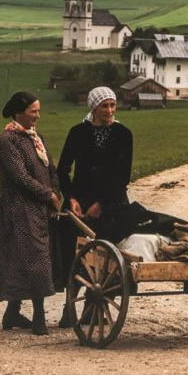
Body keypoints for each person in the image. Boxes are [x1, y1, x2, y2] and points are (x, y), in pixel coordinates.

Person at [56, 86, 133, 327]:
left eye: (112, 105)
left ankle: (95, 304)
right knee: (75, 254)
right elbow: (63, 170)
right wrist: (72, 199)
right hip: (80, 203)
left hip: (112, 202)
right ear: (93, 108)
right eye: (104, 106)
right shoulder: (78, 132)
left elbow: (123, 175)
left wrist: (102, 203)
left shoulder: (123, 134)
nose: (109, 110)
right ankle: (70, 304)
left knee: (109, 256)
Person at [0, 91, 61, 336]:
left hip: (37, 207)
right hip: (16, 207)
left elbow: (51, 168)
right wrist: (48, 195)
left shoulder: (36, 138)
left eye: (38, 111)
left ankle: (12, 313)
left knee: (27, 257)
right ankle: (40, 317)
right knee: (34, 258)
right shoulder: (7, 140)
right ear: (18, 112)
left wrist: (55, 192)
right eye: (33, 111)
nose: (37, 116)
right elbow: (19, 177)